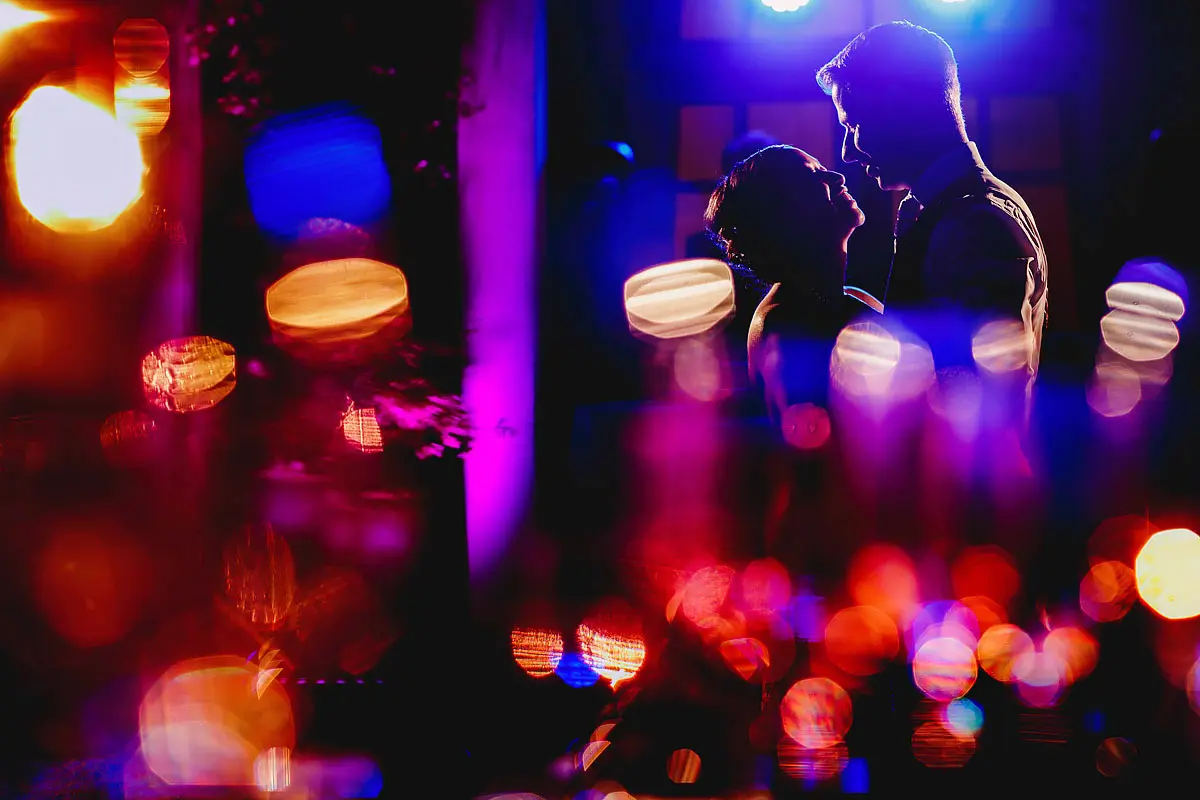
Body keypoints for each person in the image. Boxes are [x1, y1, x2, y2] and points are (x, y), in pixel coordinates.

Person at [816, 20, 1048, 393]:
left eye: (853, 125)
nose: (846, 153)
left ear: (896, 108)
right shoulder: (960, 209)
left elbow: (990, 396)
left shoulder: (975, 222)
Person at [705, 144, 879, 430]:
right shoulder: (783, 323)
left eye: (823, 169)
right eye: (812, 177)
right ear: (782, 216)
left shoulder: (851, 299)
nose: (837, 177)